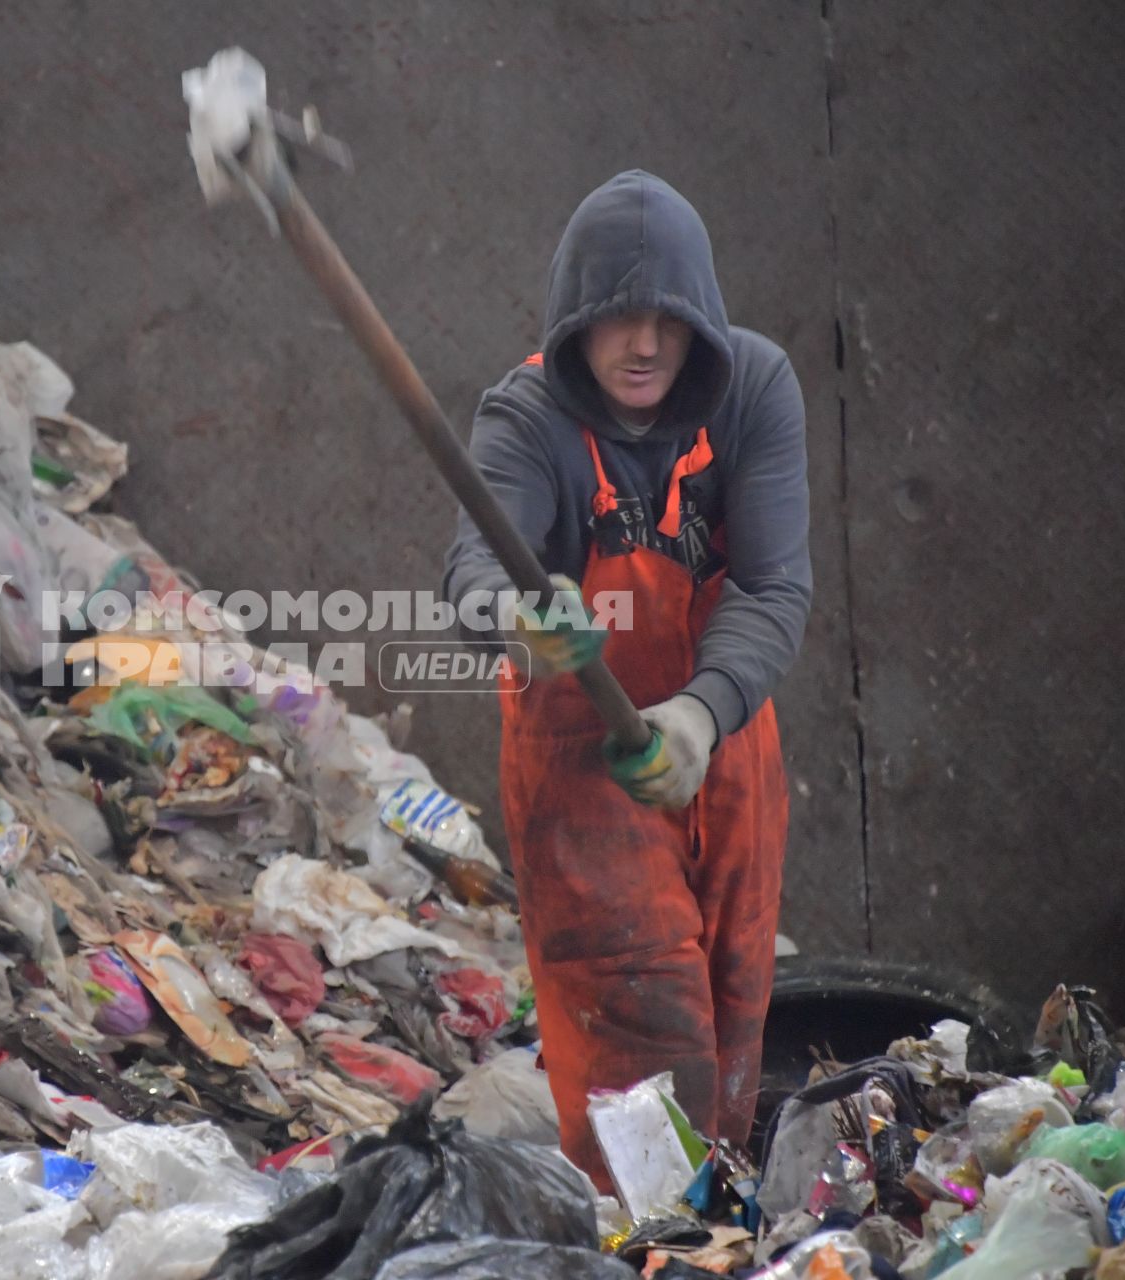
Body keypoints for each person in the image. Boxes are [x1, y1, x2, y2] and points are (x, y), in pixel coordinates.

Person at [443, 170, 811, 1183]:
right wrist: (522, 618)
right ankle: (642, 1238)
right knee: (641, 1046)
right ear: (573, 325)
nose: (642, 344)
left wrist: (701, 714)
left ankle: (713, 1238)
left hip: (725, 748)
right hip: (583, 772)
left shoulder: (756, 391)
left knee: (737, 1013)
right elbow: (475, 566)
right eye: (614, 321)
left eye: (665, 319)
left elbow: (774, 582)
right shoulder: (525, 418)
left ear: (701, 324)